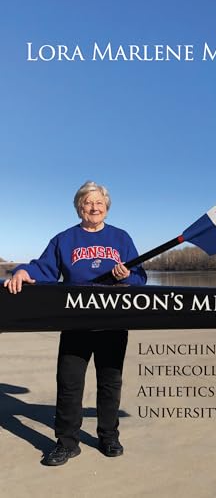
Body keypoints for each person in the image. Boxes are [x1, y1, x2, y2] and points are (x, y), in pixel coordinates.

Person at [4, 181, 147, 466]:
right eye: (87, 203)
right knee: (69, 384)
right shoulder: (64, 239)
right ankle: (67, 443)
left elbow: (140, 278)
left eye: (99, 203)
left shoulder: (121, 238)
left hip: (112, 322)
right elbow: (43, 269)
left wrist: (126, 277)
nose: (94, 207)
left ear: (106, 207)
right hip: (75, 321)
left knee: (110, 382)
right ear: (79, 207)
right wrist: (21, 272)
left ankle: (108, 436)